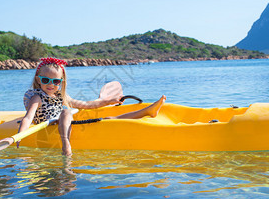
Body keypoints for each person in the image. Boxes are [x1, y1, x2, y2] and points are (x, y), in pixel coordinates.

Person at [17, 57, 166, 156]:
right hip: (49, 126)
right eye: (45, 80)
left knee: (71, 112)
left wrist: (108, 101)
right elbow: (28, 117)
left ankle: (146, 111)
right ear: (38, 79)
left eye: (55, 82)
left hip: (63, 121)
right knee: (70, 113)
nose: (50, 85)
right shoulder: (36, 97)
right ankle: (66, 144)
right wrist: (19, 136)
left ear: (61, 82)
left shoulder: (62, 96)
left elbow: (87, 105)